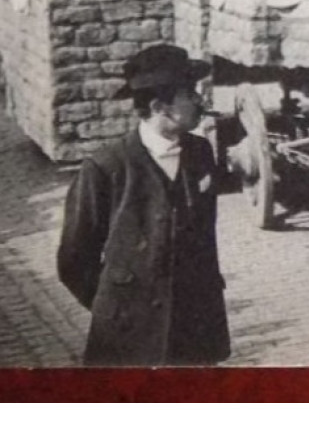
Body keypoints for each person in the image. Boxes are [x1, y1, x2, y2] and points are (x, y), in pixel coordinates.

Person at [57, 45, 230, 366]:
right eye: (189, 93)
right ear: (159, 106)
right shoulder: (106, 167)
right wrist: (117, 307)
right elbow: (73, 260)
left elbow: (204, 239)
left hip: (194, 327)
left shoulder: (201, 152)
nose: (199, 101)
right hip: (128, 339)